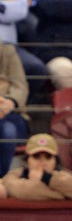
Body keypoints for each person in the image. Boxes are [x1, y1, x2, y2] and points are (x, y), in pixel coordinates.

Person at [2, 131, 72, 199]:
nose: (43, 162)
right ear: (27, 160)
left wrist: (48, 178)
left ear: (55, 160)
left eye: (48, 157)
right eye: (36, 157)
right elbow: (16, 189)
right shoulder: (15, 174)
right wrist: (62, 194)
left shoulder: (64, 174)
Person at [0, 0, 47, 94]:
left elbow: (21, 9)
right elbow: (10, 9)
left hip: (8, 47)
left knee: (36, 69)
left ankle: (14, 108)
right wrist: (4, 4)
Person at [0, 41, 28, 176]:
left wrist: (10, 102)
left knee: (9, 130)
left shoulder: (6, 50)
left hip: (7, 111)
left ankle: (3, 178)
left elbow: (20, 84)